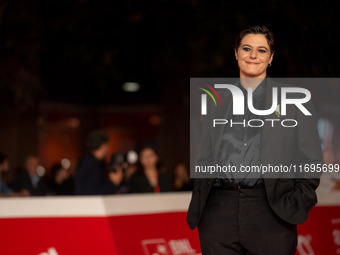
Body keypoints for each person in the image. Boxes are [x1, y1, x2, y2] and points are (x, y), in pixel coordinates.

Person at [187, 25, 322, 255]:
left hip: (271, 211)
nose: (253, 55)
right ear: (236, 53)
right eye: (247, 48)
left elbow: (310, 161)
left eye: (261, 50)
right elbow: (205, 154)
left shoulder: (293, 102)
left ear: (270, 58)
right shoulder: (216, 101)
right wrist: (206, 202)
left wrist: (297, 203)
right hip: (219, 211)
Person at [75, 130, 123, 195]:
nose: (108, 149)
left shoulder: (89, 162)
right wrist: (113, 183)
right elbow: (94, 192)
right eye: (108, 145)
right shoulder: (92, 165)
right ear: (103, 146)